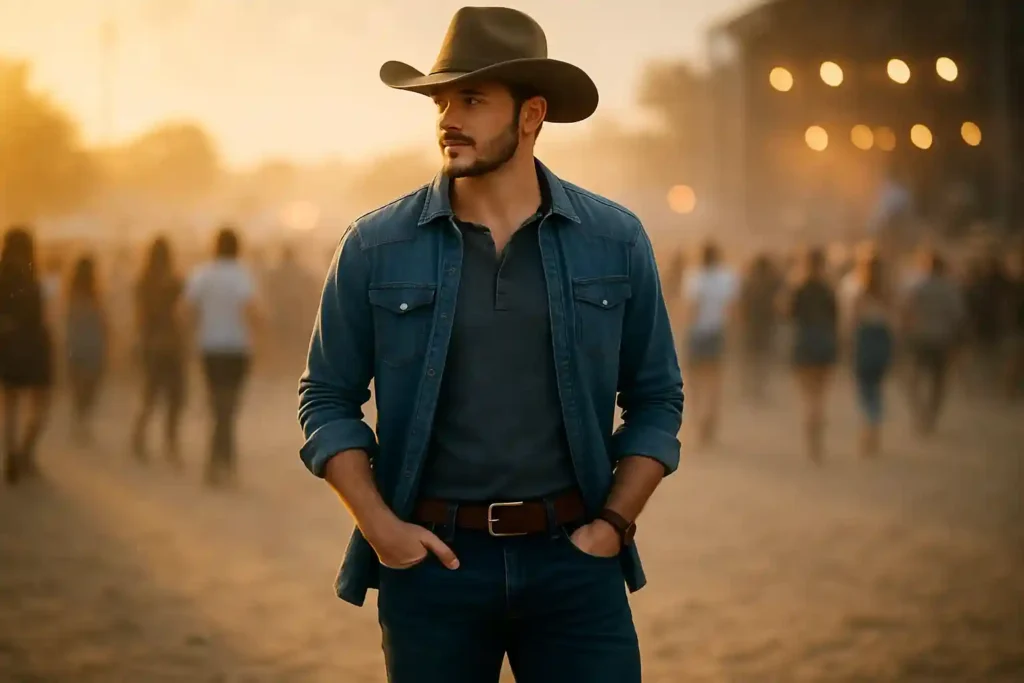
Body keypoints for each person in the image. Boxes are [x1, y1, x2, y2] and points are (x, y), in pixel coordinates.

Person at [297, 8, 682, 683]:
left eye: (471, 98)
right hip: (432, 566)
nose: (449, 116)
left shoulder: (614, 238)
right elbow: (326, 396)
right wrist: (381, 527)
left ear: (531, 115)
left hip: (575, 564)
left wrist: (613, 523)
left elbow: (656, 397)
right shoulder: (374, 245)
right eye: (442, 100)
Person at [184, 227, 259, 487]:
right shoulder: (241, 275)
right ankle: (223, 464)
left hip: (209, 349)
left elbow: (185, 311)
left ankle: (218, 464)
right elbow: (251, 311)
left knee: (218, 407)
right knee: (228, 409)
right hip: (236, 349)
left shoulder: (202, 273)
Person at [0, 227, 53, 483]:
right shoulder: (32, 277)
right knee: (41, 405)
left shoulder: (3, 274)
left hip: (8, 346)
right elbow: (41, 315)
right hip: (34, 346)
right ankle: (25, 451)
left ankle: (12, 453)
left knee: (10, 405)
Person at [131, 237, 186, 465]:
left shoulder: (143, 282)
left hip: (151, 344)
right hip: (172, 345)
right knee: (175, 398)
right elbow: (182, 314)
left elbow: (140, 317)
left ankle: (139, 438)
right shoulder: (175, 282)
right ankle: (170, 444)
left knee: (150, 395)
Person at [902, 249, 965, 434]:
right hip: (942, 339)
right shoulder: (950, 289)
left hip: (919, 338)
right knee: (938, 381)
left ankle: (919, 412)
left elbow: (906, 311)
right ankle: (930, 415)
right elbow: (958, 316)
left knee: (913, 380)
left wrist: (905, 331)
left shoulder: (916, 286)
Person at [784, 247, 838, 463]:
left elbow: (787, 313)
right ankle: (818, 427)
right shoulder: (828, 289)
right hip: (824, 343)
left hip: (804, 343)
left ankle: (811, 436)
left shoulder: (798, 287)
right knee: (820, 396)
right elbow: (836, 317)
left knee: (807, 396)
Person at [683, 240, 738, 446]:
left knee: (694, 381)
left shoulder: (694, 277)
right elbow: (732, 309)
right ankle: (710, 417)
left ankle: (698, 419)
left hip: (698, 333)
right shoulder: (727, 277)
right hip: (718, 332)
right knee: (714, 381)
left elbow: (691, 308)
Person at [850, 252, 895, 457]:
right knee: (876, 388)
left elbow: (853, 320)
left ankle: (868, 429)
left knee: (865, 389)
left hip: (865, 338)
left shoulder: (859, 292)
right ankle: (874, 430)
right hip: (882, 339)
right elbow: (894, 319)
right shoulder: (887, 293)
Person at [64, 255, 108, 446]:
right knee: (90, 386)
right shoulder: (94, 293)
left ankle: (80, 422)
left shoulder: (71, 293)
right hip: (93, 344)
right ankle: (83, 423)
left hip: (77, 344)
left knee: (79, 387)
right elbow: (102, 320)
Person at [739, 253, 780, 403]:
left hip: (751, 326)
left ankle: (750, 388)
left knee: (751, 358)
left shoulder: (748, 283)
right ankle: (759, 388)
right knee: (763, 358)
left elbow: (742, 305)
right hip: (766, 326)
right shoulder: (772, 284)